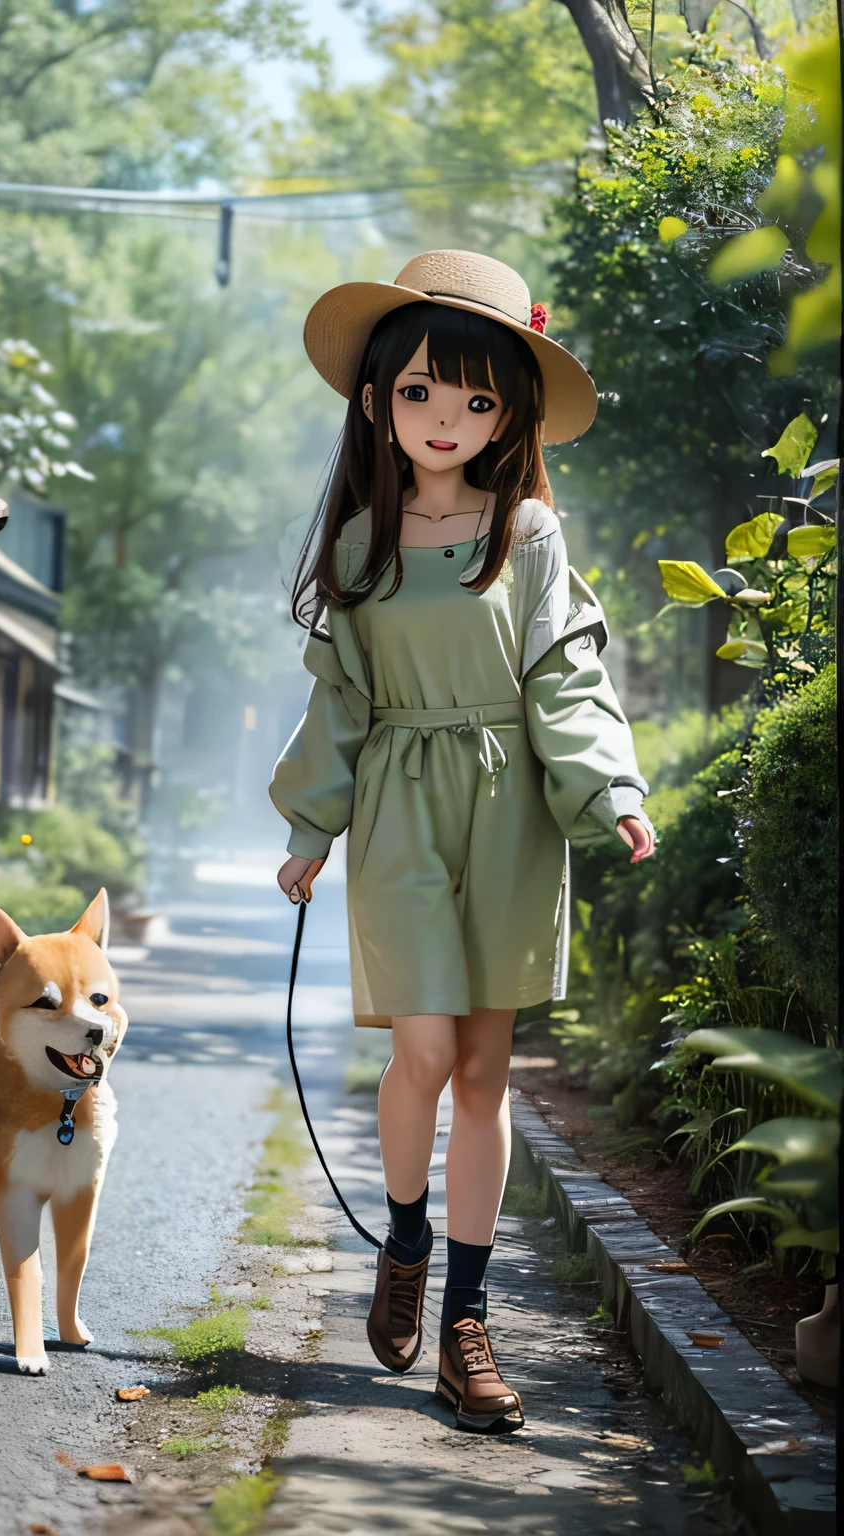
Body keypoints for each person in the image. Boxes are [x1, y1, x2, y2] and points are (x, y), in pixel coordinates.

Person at [269, 250, 654, 1433]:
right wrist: (309, 827)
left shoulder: (527, 531)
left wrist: (611, 792)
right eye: (425, 393)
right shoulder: (356, 548)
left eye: (478, 400)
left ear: (509, 417)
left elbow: (562, 676)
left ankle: (467, 1326)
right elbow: (340, 700)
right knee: (423, 1054)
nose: (449, 420)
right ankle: (404, 1236)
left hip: (512, 810)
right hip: (396, 805)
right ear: (379, 399)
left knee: (485, 1075)